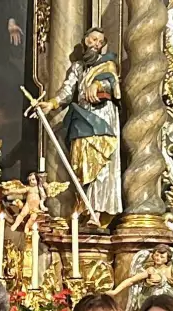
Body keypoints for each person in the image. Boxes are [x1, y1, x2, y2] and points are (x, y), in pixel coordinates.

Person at [28, 28, 123, 223]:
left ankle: (97, 210)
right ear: (85, 41)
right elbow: (67, 91)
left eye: (99, 41)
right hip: (81, 119)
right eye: (92, 39)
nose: (95, 44)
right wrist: (52, 104)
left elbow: (112, 83)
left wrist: (97, 85)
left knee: (101, 164)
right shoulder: (78, 67)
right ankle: (84, 207)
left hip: (102, 117)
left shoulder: (108, 64)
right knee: (81, 165)